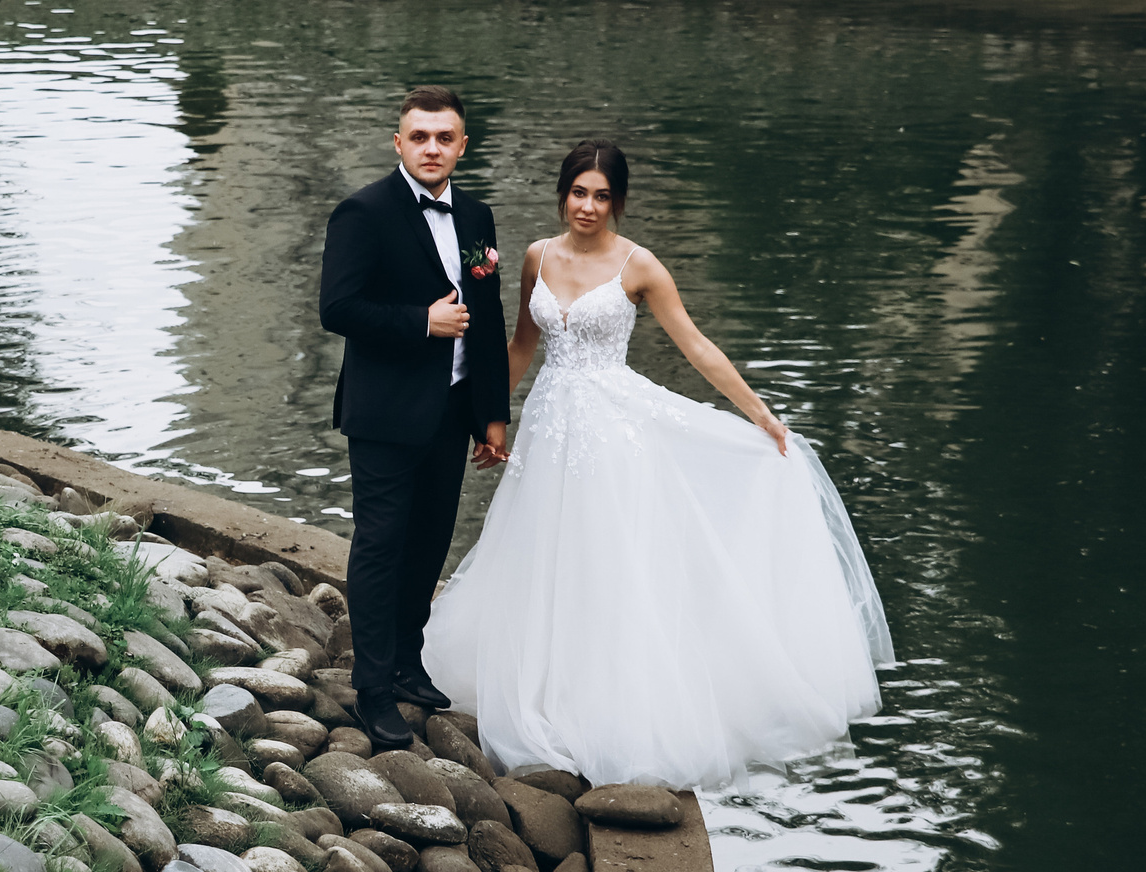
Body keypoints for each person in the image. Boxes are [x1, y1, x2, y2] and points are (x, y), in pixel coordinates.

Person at [419, 140, 894, 789]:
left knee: (608, 565)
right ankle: (539, 686)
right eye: (579, 192)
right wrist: (489, 417)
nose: (588, 206)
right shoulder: (536, 256)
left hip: (612, 433)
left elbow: (695, 343)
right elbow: (523, 345)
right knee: (541, 557)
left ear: (618, 201)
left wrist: (761, 414)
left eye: (602, 195)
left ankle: (605, 709)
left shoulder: (639, 265)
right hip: (550, 430)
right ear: (563, 193)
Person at [317, 85, 513, 752]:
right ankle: (372, 688)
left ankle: (408, 659)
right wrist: (420, 322)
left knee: (429, 542)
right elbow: (337, 308)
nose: (432, 147)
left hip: (452, 411)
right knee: (380, 544)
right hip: (384, 411)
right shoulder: (363, 211)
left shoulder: (479, 216)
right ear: (398, 142)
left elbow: (486, 321)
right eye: (420, 136)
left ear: (463, 145)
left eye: (445, 137)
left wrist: (492, 414)